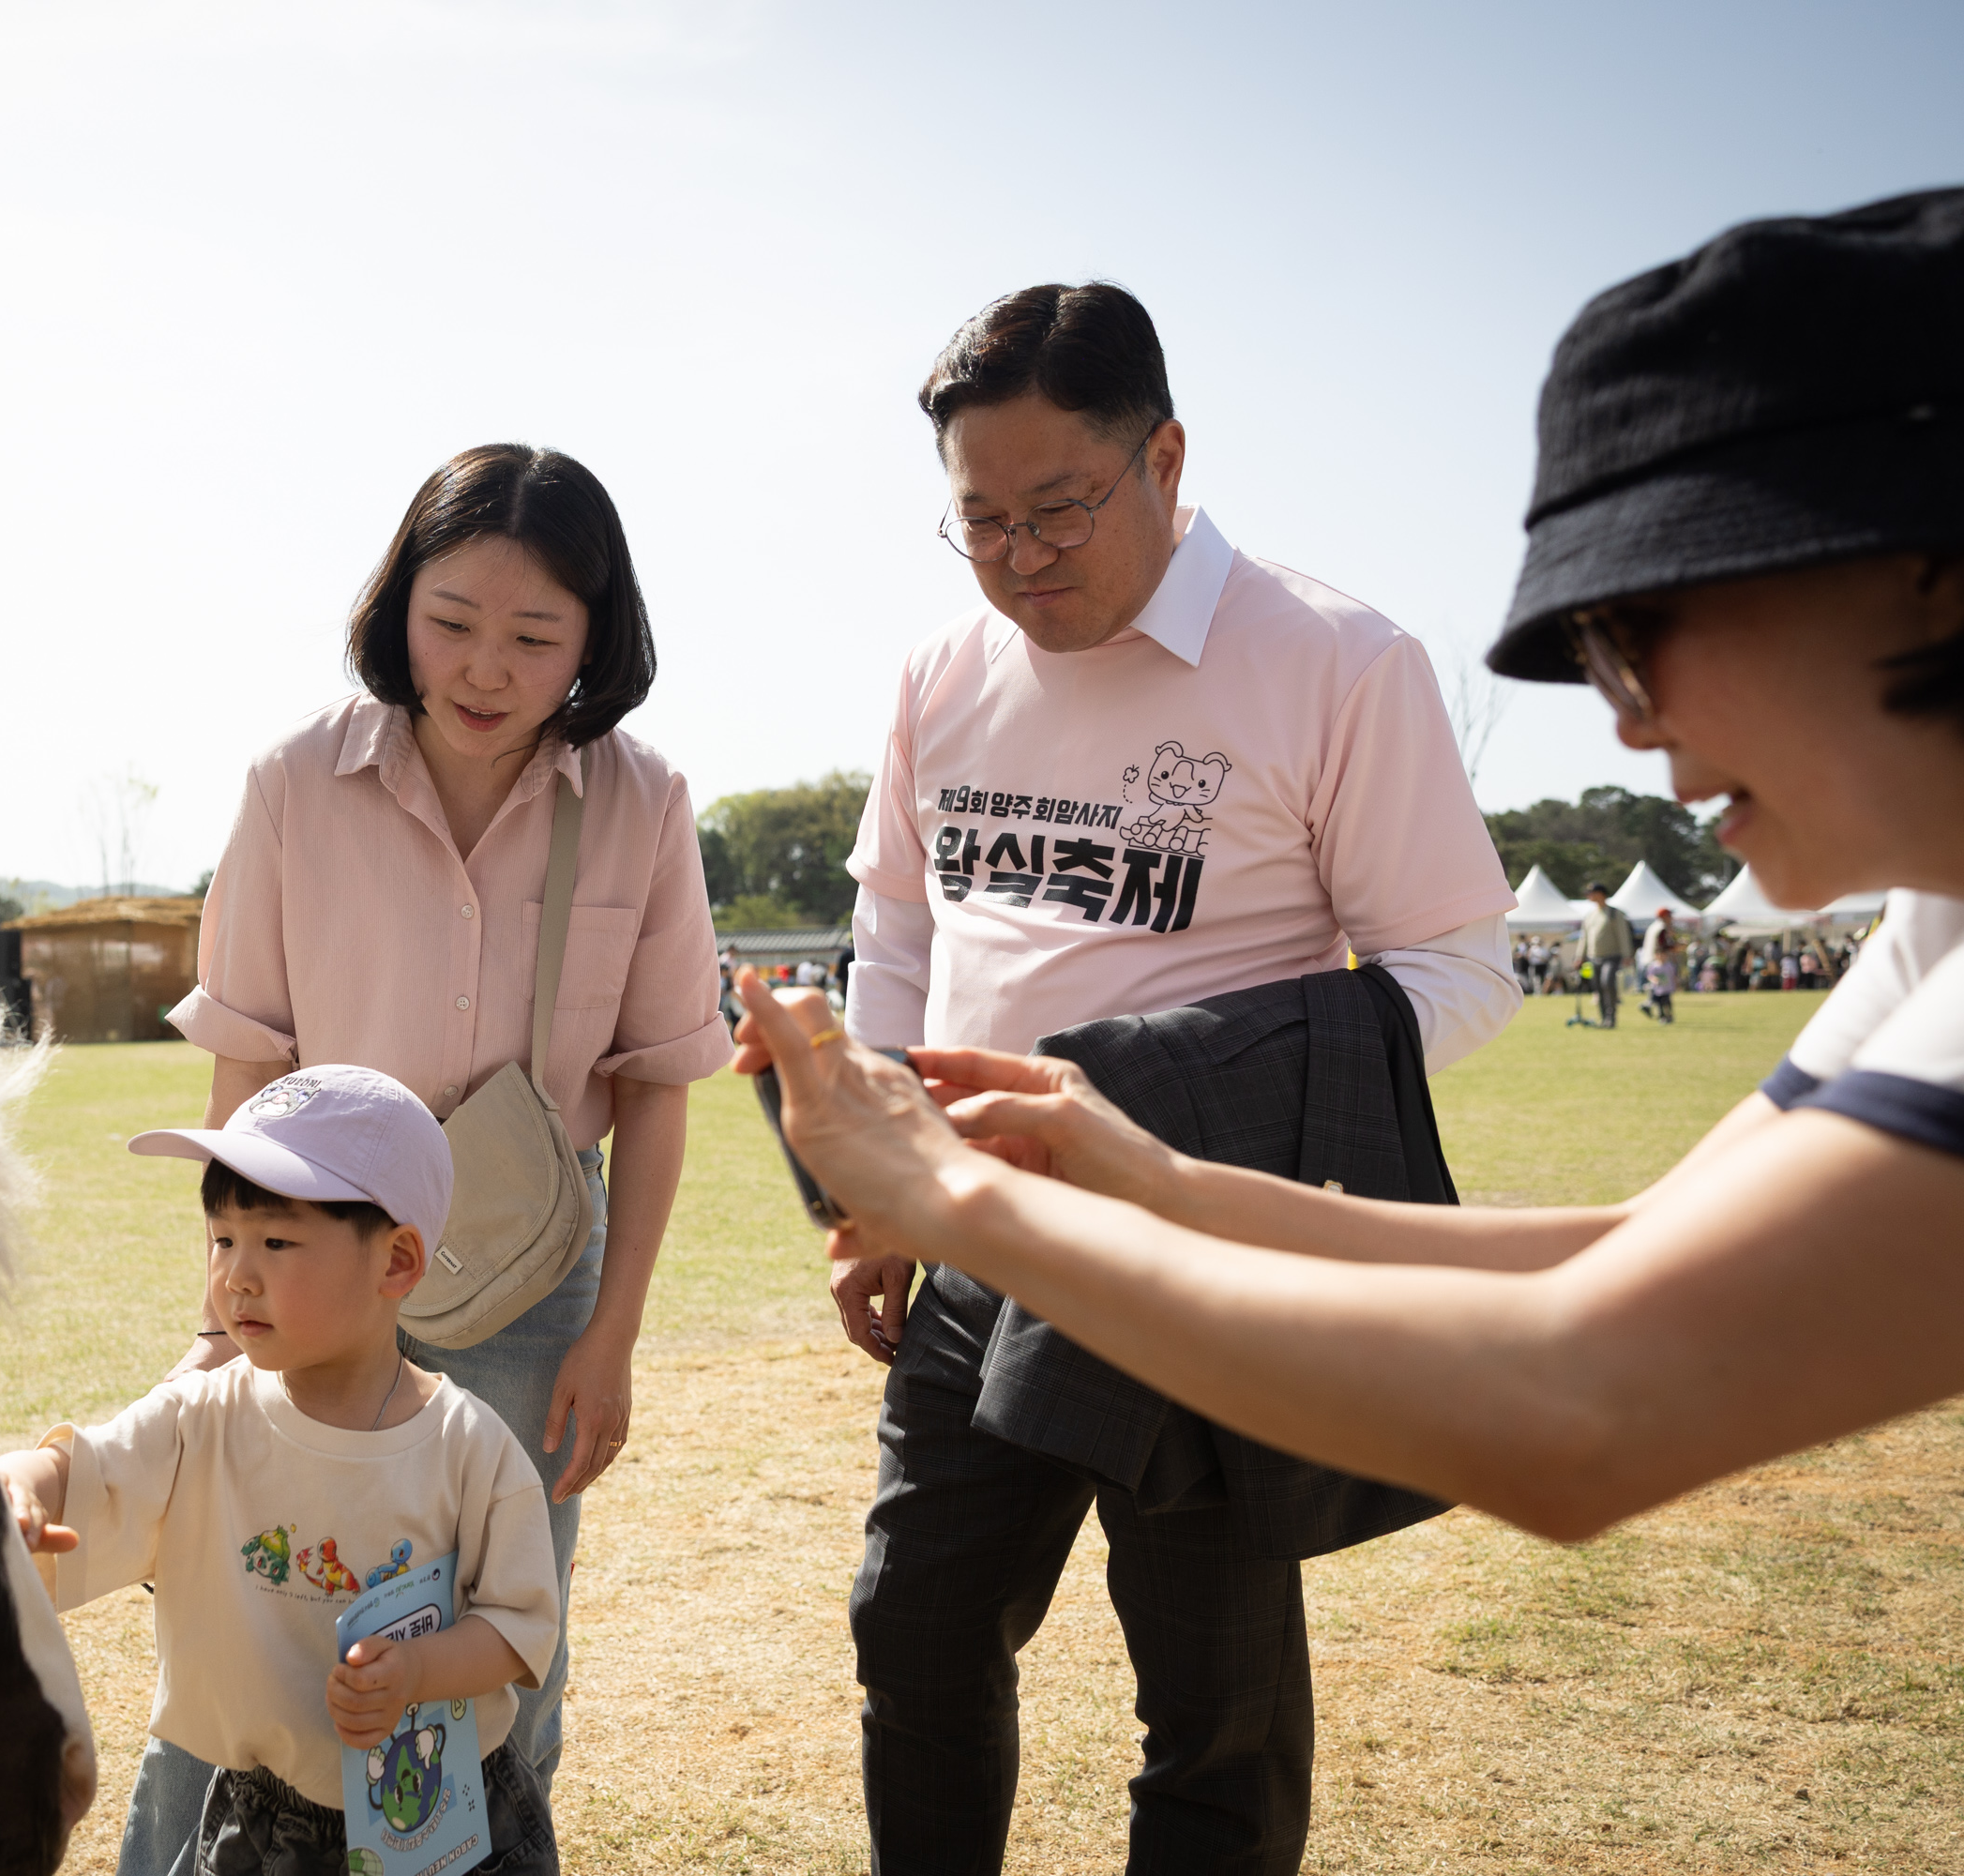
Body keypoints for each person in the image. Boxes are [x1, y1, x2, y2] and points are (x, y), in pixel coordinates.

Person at [731, 188, 1964, 1578]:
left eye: (1641, 636)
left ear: (1922, 573)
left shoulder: (1335, 657)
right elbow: (1632, 1245)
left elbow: (1582, 1409)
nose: (1628, 726)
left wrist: (956, 1201)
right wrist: (1146, 1171)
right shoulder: (1937, 926)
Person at [833, 282, 1520, 1875]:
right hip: (983, 1243)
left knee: (1214, 1711)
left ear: (1165, 458)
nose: (1021, 555)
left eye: (1061, 506)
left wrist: (1172, 1100)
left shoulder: (1335, 659)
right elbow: (900, 935)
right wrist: (879, 1185)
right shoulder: (943, 669)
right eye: (980, 519)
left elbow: (1458, 972)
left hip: (1203, 1263)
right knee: (912, 1628)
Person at [131, 444, 727, 1874]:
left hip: (536, 1288)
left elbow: (657, 1088)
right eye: (452, 619)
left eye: (536, 635)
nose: (485, 668)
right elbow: (246, 1064)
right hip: (316, 1258)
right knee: (257, 1613)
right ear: (397, 601)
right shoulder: (294, 781)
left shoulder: (642, 801)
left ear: (596, 640)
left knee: (503, 1639)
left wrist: (614, 1336)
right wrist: (225, 1304)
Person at [0, 1066, 560, 1875]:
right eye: (223, 1238)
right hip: (266, 1824)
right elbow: (82, 1469)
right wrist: (17, 1485)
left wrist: (416, 1672)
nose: (236, 1275)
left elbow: (517, 1626)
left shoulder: (469, 1447)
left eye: (276, 1242)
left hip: (445, 1803)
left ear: (398, 1261)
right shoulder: (200, 1419)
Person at [1578, 882, 1634, 1026]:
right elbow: (1584, 938)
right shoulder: (1590, 916)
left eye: (1592, 893)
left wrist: (1627, 955)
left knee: (1607, 982)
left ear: (1601, 894)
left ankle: (1611, 1017)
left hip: (1611, 956)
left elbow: (1623, 935)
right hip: (1593, 957)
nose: (1589, 896)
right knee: (1598, 987)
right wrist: (1579, 956)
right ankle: (1603, 1018)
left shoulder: (1615, 914)